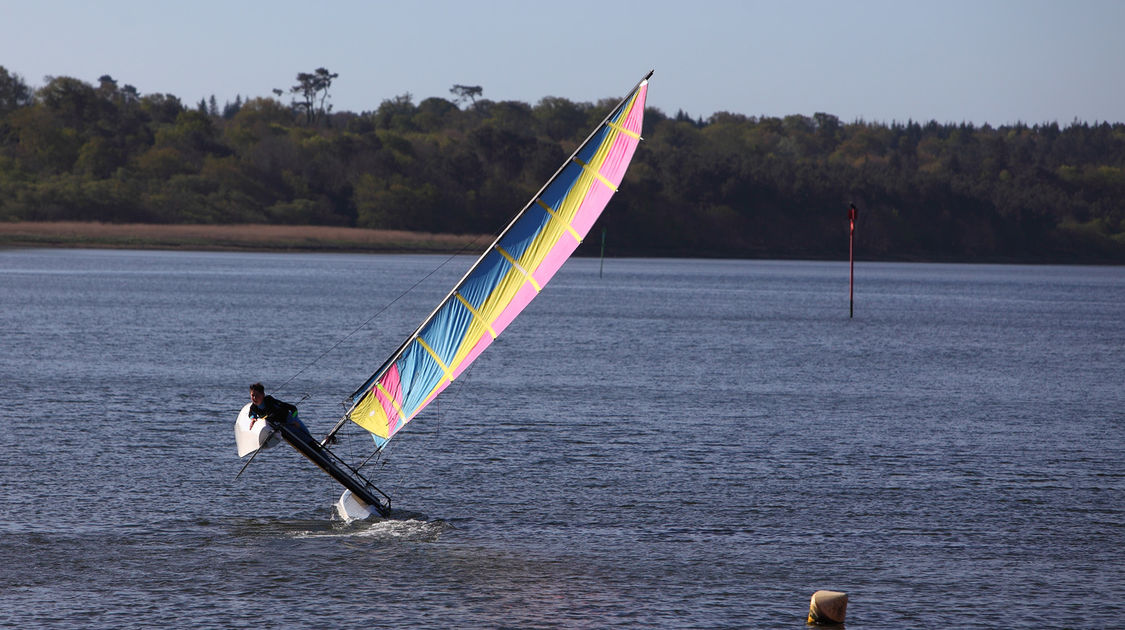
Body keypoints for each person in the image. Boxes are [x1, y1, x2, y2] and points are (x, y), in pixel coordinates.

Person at [248, 382, 315, 444]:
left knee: (309, 439)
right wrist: (253, 419)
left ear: (263, 395)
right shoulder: (253, 407)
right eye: (252, 395)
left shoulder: (269, 401)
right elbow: (250, 415)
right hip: (282, 426)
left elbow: (294, 409)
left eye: (257, 395)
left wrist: (294, 419)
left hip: (290, 419)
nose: (254, 398)